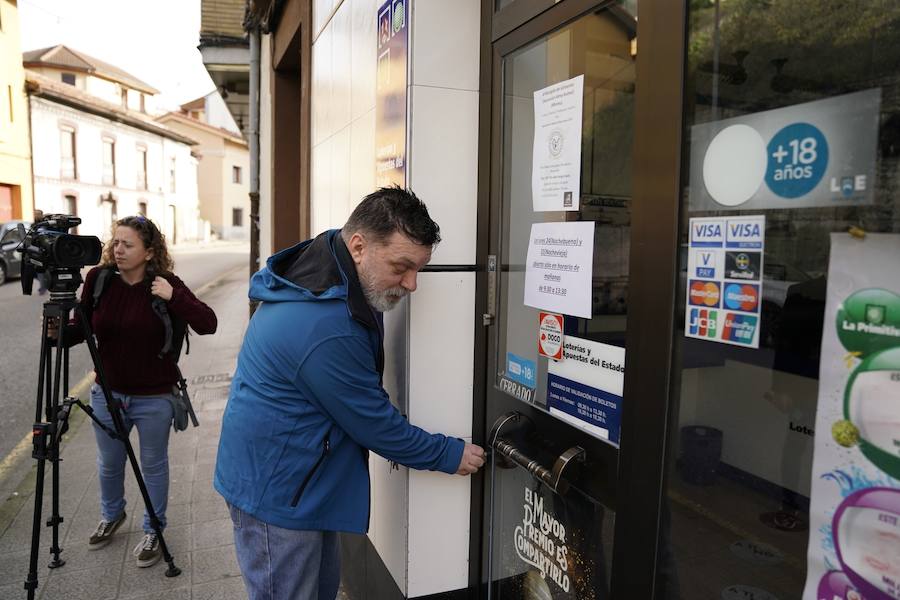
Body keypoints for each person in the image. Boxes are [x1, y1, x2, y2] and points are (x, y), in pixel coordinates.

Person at [214, 187, 486, 600]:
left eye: (419, 270)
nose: (411, 284)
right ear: (358, 246)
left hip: (297, 479)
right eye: (401, 267)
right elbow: (374, 423)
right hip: (279, 493)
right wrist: (449, 454)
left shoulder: (331, 266)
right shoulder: (324, 324)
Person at [50, 215, 217, 567]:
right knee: (109, 464)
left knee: (153, 466)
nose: (118, 249)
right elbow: (80, 330)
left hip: (155, 397)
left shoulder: (166, 283)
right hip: (107, 394)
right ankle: (113, 515)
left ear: (149, 251)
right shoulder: (99, 281)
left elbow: (208, 323)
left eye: (128, 244)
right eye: (116, 242)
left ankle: (153, 528)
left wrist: (174, 298)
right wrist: (56, 332)